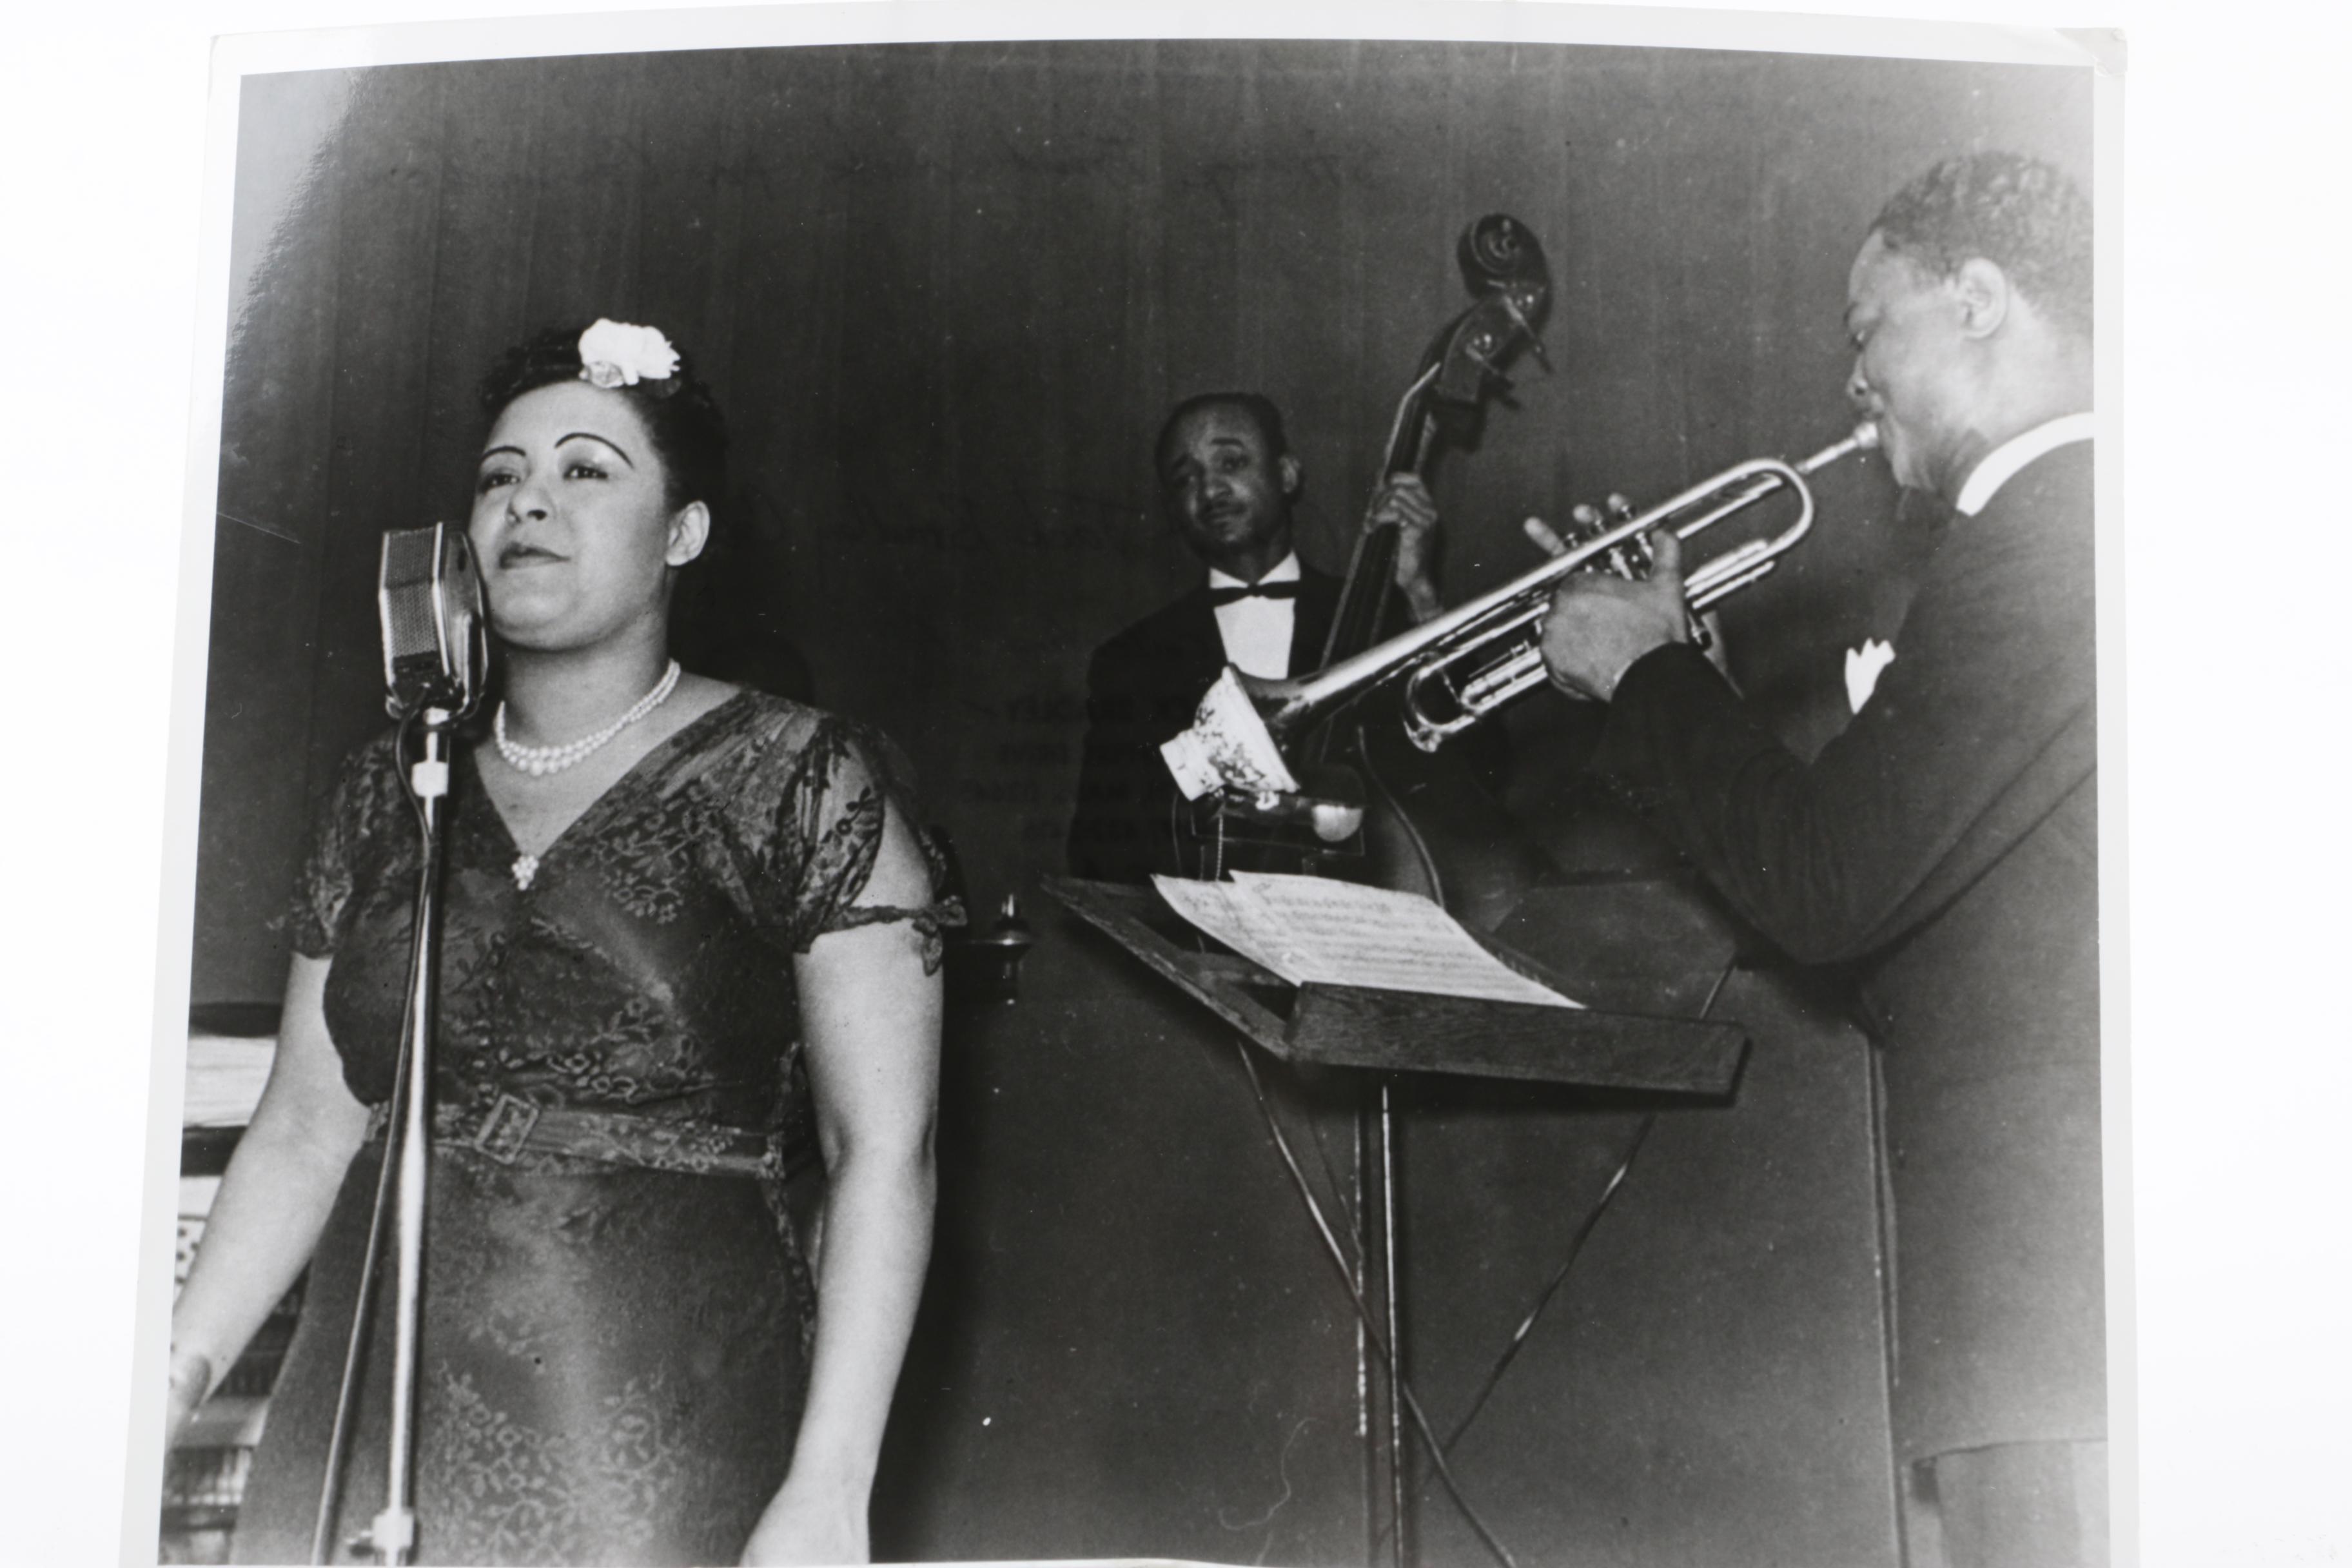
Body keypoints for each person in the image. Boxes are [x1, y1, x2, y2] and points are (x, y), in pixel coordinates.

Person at [166, 319, 959, 1566]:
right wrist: (175, 1370)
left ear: (683, 534)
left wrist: (830, 1485)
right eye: (498, 477)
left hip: (653, 1432)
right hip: (358, 1417)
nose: (527, 501)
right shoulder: (390, 790)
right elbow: (305, 1128)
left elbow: (881, 1155)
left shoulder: (799, 776)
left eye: (585, 469)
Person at [1534, 153, 2102, 1568]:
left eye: (1868, 330)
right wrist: (1690, 703)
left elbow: (1829, 890)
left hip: (2059, 1288)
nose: (1852, 380)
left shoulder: (2056, 532)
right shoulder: (2036, 538)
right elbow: (1907, 945)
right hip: (2037, 1285)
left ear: (1978, 300)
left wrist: (1655, 681)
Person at [1065, 391, 1442, 881]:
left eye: (1231, 461)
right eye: (1185, 478)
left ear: (1287, 474)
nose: (1209, 489)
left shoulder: (1379, 617)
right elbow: (1098, 851)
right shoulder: (1130, 661)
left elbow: (1479, 765)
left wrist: (1418, 591)